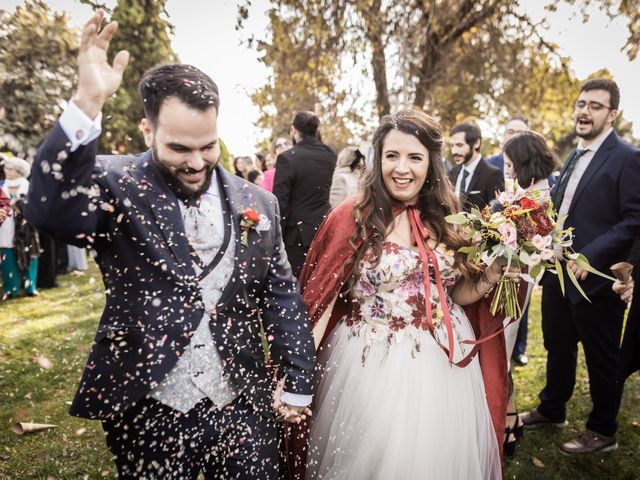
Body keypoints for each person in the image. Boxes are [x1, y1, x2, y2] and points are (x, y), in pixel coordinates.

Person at [25, 11, 315, 478]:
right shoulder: (114, 182)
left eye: (208, 146)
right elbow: (49, 212)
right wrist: (86, 104)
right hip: (149, 402)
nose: (197, 162)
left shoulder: (257, 201)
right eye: (180, 149)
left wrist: (298, 379)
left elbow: (280, 295)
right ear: (148, 130)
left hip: (241, 398)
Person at [287, 110, 524, 479]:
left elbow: (456, 294)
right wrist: (297, 372)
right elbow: (323, 301)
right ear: (377, 158)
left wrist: (490, 275)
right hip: (369, 361)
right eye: (391, 156)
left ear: (431, 163)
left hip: (445, 363)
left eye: (415, 157)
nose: (402, 168)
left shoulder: (449, 216)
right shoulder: (354, 216)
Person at [520, 78, 640, 454]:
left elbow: (633, 219)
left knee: (602, 356)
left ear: (612, 115)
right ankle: (552, 408)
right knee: (557, 344)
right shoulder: (575, 153)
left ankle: (603, 431)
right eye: (581, 103)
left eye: (595, 106)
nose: (584, 111)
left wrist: (593, 254)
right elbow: (560, 206)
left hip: (596, 276)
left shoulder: (627, 157)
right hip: (557, 271)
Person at [500, 130, 558, 455]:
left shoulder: (536, 201)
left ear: (524, 162)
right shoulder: (529, 194)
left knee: (502, 353)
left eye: (510, 165)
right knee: (502, 355)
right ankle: (511, 420)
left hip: (516, 282)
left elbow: (523, 249)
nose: (508, 172)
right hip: (513, 280)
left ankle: (507, 425)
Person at [272, 111, 336, 277]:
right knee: (321, 282)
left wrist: (277, 237)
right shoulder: (330, 154)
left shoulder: (287, 158)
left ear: (294, 130)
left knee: (298, 285)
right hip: (326, 227)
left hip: (296, 236)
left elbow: (280, 203)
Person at [0, 156, 40, 300]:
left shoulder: (29, 186)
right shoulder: (1, 185)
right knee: (7, 256)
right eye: (6, 168)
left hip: (26, 228)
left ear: (19, 171)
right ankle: (11, 288)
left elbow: (35, 206)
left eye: (10, 169)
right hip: (5, 226)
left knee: (29, 255)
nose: (7, 171)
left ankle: (31, 287)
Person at [448, 121, 504, 211]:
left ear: (477, 143)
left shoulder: (493, 175)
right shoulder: (453, 172)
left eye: (459, 145)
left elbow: (497, 215)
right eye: (452, 146)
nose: (454, 151)